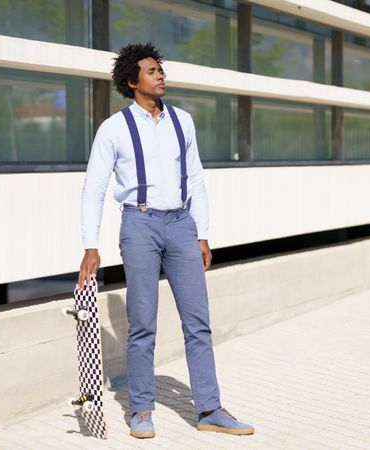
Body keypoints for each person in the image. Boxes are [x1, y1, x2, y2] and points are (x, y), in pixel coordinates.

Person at [78, 42, 253, 439]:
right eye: (152, 71)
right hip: (139, 226)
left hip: (181, 225)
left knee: (198, 323)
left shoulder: (183, 121)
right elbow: (93, 189)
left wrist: (202, 233)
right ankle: (141, 409)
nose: (161, 75)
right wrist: (91, 245)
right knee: (142, 324)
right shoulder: (114, 128)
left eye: (161, 70)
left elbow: (196, 180)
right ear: (131, 81)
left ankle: (209, 408)